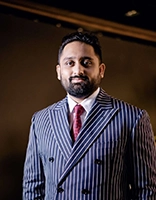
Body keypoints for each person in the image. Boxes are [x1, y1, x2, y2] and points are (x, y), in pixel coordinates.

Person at [22, 31, 156, 200]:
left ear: (101, 70)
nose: (78, 70)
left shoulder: (132, 118)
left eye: (86, 62)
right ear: (59, 71)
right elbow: (32, 187)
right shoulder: (40, 120)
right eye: (69, 63)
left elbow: (146, 190)